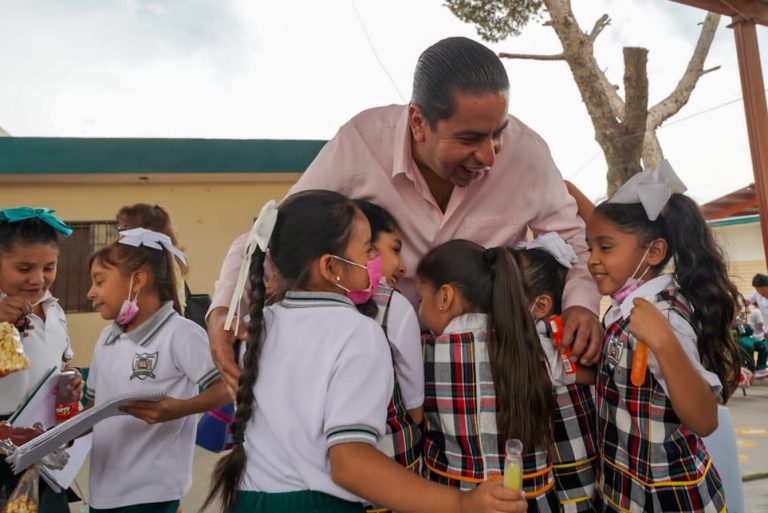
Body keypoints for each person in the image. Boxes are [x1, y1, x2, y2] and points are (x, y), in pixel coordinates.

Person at [206, 36, 603, 397]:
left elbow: (577, 243)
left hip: (490, 378)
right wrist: (224, 310)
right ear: (418, 122)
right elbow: (275, 234)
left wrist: (581, 304)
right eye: (468, 139)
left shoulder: (528, 153)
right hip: (377, 375)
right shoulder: (361, 143)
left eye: (497, 132)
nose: (489, 156)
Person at [203, 191, 526, 513]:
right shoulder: (358, 332)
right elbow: (350, 464)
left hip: (250, 501)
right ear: (332, 267)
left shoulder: (255, 325)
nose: (375, 258)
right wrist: (461, 502)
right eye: (368, 249)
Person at [585, 161, 740, 512]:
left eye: (605, 248)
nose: (592, 259)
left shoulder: (664, 318)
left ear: (654, 252)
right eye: (589, 247)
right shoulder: (626, 309)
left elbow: (704, 420)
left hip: (667, 498)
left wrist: (665, 344)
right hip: (625, 488)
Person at [84, 228, 228, 513]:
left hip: (152, 490)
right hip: (103, 491)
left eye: (99, 282)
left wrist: (181, 408)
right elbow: (92, 408)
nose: (91, 293)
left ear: (137, 280)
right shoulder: (106, 337)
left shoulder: (180, 334)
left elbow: (226, 387)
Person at [416, 239, 558, 512]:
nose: (419, 310)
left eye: (421, 299)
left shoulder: (425, 353)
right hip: (532, 501)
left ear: (444, 297)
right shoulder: (535, 344)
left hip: (457, 500)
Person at [0, 207, 83, 513]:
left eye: (49, 267)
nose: (38, 279)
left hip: (44, 454)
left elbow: (58, 365)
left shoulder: (55, 311)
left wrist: (70, 377)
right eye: (23, 268)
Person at [509, 234, 597, 512]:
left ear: (542, 305)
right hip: (580, 451)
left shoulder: (541, 338)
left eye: (508, 295)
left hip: (565, 455)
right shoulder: (560, 333)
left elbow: (584, 374)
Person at [351, 200, 424, 484]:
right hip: (393, 461)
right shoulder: (396, 307)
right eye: (395, 249)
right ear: (365, 245)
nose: (404, 267)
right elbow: (414, 406)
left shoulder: (317, 306)